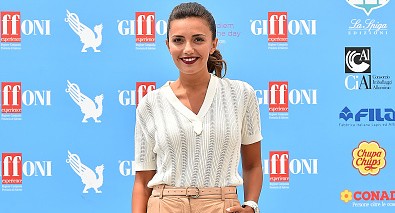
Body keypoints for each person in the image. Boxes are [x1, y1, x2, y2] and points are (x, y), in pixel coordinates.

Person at [132, 2, 263, 213]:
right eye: (178, 40)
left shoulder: (241, 94)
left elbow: (253, 165)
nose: (188, 49)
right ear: (168, 45)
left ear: (213, 44)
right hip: (164, 205)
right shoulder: (151, 103)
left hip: (222, 205)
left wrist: (251, 206)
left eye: (198, 39)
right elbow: (142, 180)